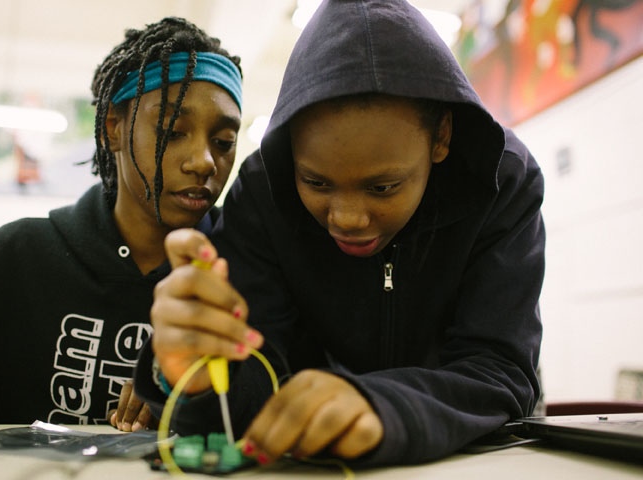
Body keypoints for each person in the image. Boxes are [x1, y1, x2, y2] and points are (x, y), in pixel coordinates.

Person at [136, 0, 544, 467]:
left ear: (442, 137)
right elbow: (254, 374)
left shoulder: (500, 181)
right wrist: (200, 376)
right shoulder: (263, 191)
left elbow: (499, 370)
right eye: (316, 182)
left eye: (383, 187)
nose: (347, 218)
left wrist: (383, 405)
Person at [0, 17, 243, 429]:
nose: (204, 161)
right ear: (113, 128)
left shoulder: (246, 274)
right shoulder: (15, 260)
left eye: (224, 143)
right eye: (173, 131)